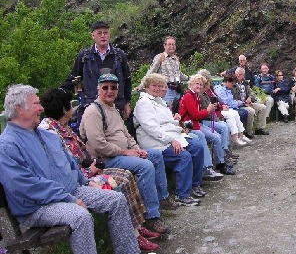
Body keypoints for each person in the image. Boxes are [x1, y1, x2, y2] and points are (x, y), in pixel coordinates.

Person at [0, 84, 140, 254]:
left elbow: (71, 163)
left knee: (116, 199)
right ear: (19, 108)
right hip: (38, 206)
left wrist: (86, 182)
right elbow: (26, 186)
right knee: (80, 217)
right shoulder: (7, 145)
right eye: (36, 104)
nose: (41, 108)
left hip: (71, 191)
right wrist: (70, 199)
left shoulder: (47, 135)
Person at [38, 88, 160, 252]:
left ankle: (135, 226)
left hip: (88, 169)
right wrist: (91, 169)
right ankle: (133, 234)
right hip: (81, 177)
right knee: (120, 181)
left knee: (127, 175)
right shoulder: (50, 132)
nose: (73, 109)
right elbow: (66, 165)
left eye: (114, 87)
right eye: (70, 105)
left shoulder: (61, 126)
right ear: (64, 109)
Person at [79, 73, 174, 235]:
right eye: (105, 87)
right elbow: (98, 145)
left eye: (114, 87)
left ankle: (161, 198)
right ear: (98, 89)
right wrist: (126, 152)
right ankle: (151, 216)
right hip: (106, 159)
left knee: (154, 155)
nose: (110, 91)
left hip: (123, 154)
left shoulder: (113, 108)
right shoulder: (93, 111)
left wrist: (137, 149)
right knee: (146, 166)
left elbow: (126, 134)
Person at [134, 73, 205, 205]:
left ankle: (194, 185)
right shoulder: (143, 103)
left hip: (172, 135)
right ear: (147, 87)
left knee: (197, 147)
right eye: (153, 85)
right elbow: (151, 128)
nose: (157, 88)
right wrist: (170, 140)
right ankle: (182, 194)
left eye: (159, 86)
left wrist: (175, 119)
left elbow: (166, 121)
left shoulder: (159, 101)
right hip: (154, 141)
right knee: (184, 156)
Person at [61, 20, 132, 120]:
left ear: (109, 34)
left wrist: (127, 103)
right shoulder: (84, 56)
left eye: (105, 33)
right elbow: (73, 78)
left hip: (116, 106)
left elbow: (127, 80)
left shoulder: (119, 55)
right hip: (92, 106)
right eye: (99, 33)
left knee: (116, 134)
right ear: (92, 35)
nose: (103, 36)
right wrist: (58, 93)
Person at [179, 74, 235, 175]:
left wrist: (209, 110)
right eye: (197, 84)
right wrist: (208, 110)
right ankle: (209, 167)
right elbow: (195, 115)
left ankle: (220, 162)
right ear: (191, 84)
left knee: (217, 136)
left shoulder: (195, 95)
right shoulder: (188, 96)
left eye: (201, 85)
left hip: (196, 124)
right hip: (190, 126)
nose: (199, 86)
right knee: (211, 137)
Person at [197, 69, 242, 161]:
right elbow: (204, 111)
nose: (209, 83)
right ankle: (223, 156)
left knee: (226, 124)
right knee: (223, 127)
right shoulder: (201, 94)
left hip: (211, 116)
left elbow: (217, 101)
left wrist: (220, 107)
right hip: (206, 119)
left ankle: (227, 150)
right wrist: (217, 111)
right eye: (208, 81)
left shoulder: (208, 91)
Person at [139, 36, 188, 106]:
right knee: (167, 109)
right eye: (169, 44)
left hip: (177, 89)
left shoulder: (176, 58)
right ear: (164, 46)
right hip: (165, 90)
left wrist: (190, 78)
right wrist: (142, 85)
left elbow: (179, 74)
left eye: (173, 44)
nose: (171, 46)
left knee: (178, 109)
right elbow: (151, 72)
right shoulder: (160, 57)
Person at [213, 74, 254, 139]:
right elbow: (226, 102)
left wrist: (240, 103)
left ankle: (241, 134)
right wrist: (240, 103)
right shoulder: (220, 90)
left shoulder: (227, 89)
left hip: (231, 107)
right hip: (225, 108)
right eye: (232, 83)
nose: (233, 85)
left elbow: (231, 101)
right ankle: (236, 135)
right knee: (242, 113)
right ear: (227, 82)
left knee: (244, 112)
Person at [233, 67, 269, 135]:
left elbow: (251, 93)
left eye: (240, 74)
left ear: (243, 75)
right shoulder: (233, 84)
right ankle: (248, 132)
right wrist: (244, 103)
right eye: (237, 74)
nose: (238, 76)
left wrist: (249, 97)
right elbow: (233, 98)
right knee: (251, 111)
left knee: (262, 107)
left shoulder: (245, 82)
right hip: (240, 104)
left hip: (248, 102)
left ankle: (260, 128)